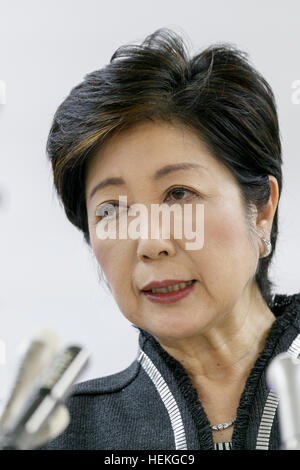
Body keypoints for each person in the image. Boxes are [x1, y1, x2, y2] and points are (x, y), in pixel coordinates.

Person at [39, 28, 300, 450]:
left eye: (179, 194)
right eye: (113, 210)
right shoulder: (61, 435)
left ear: (262, 210)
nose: (149, 242)